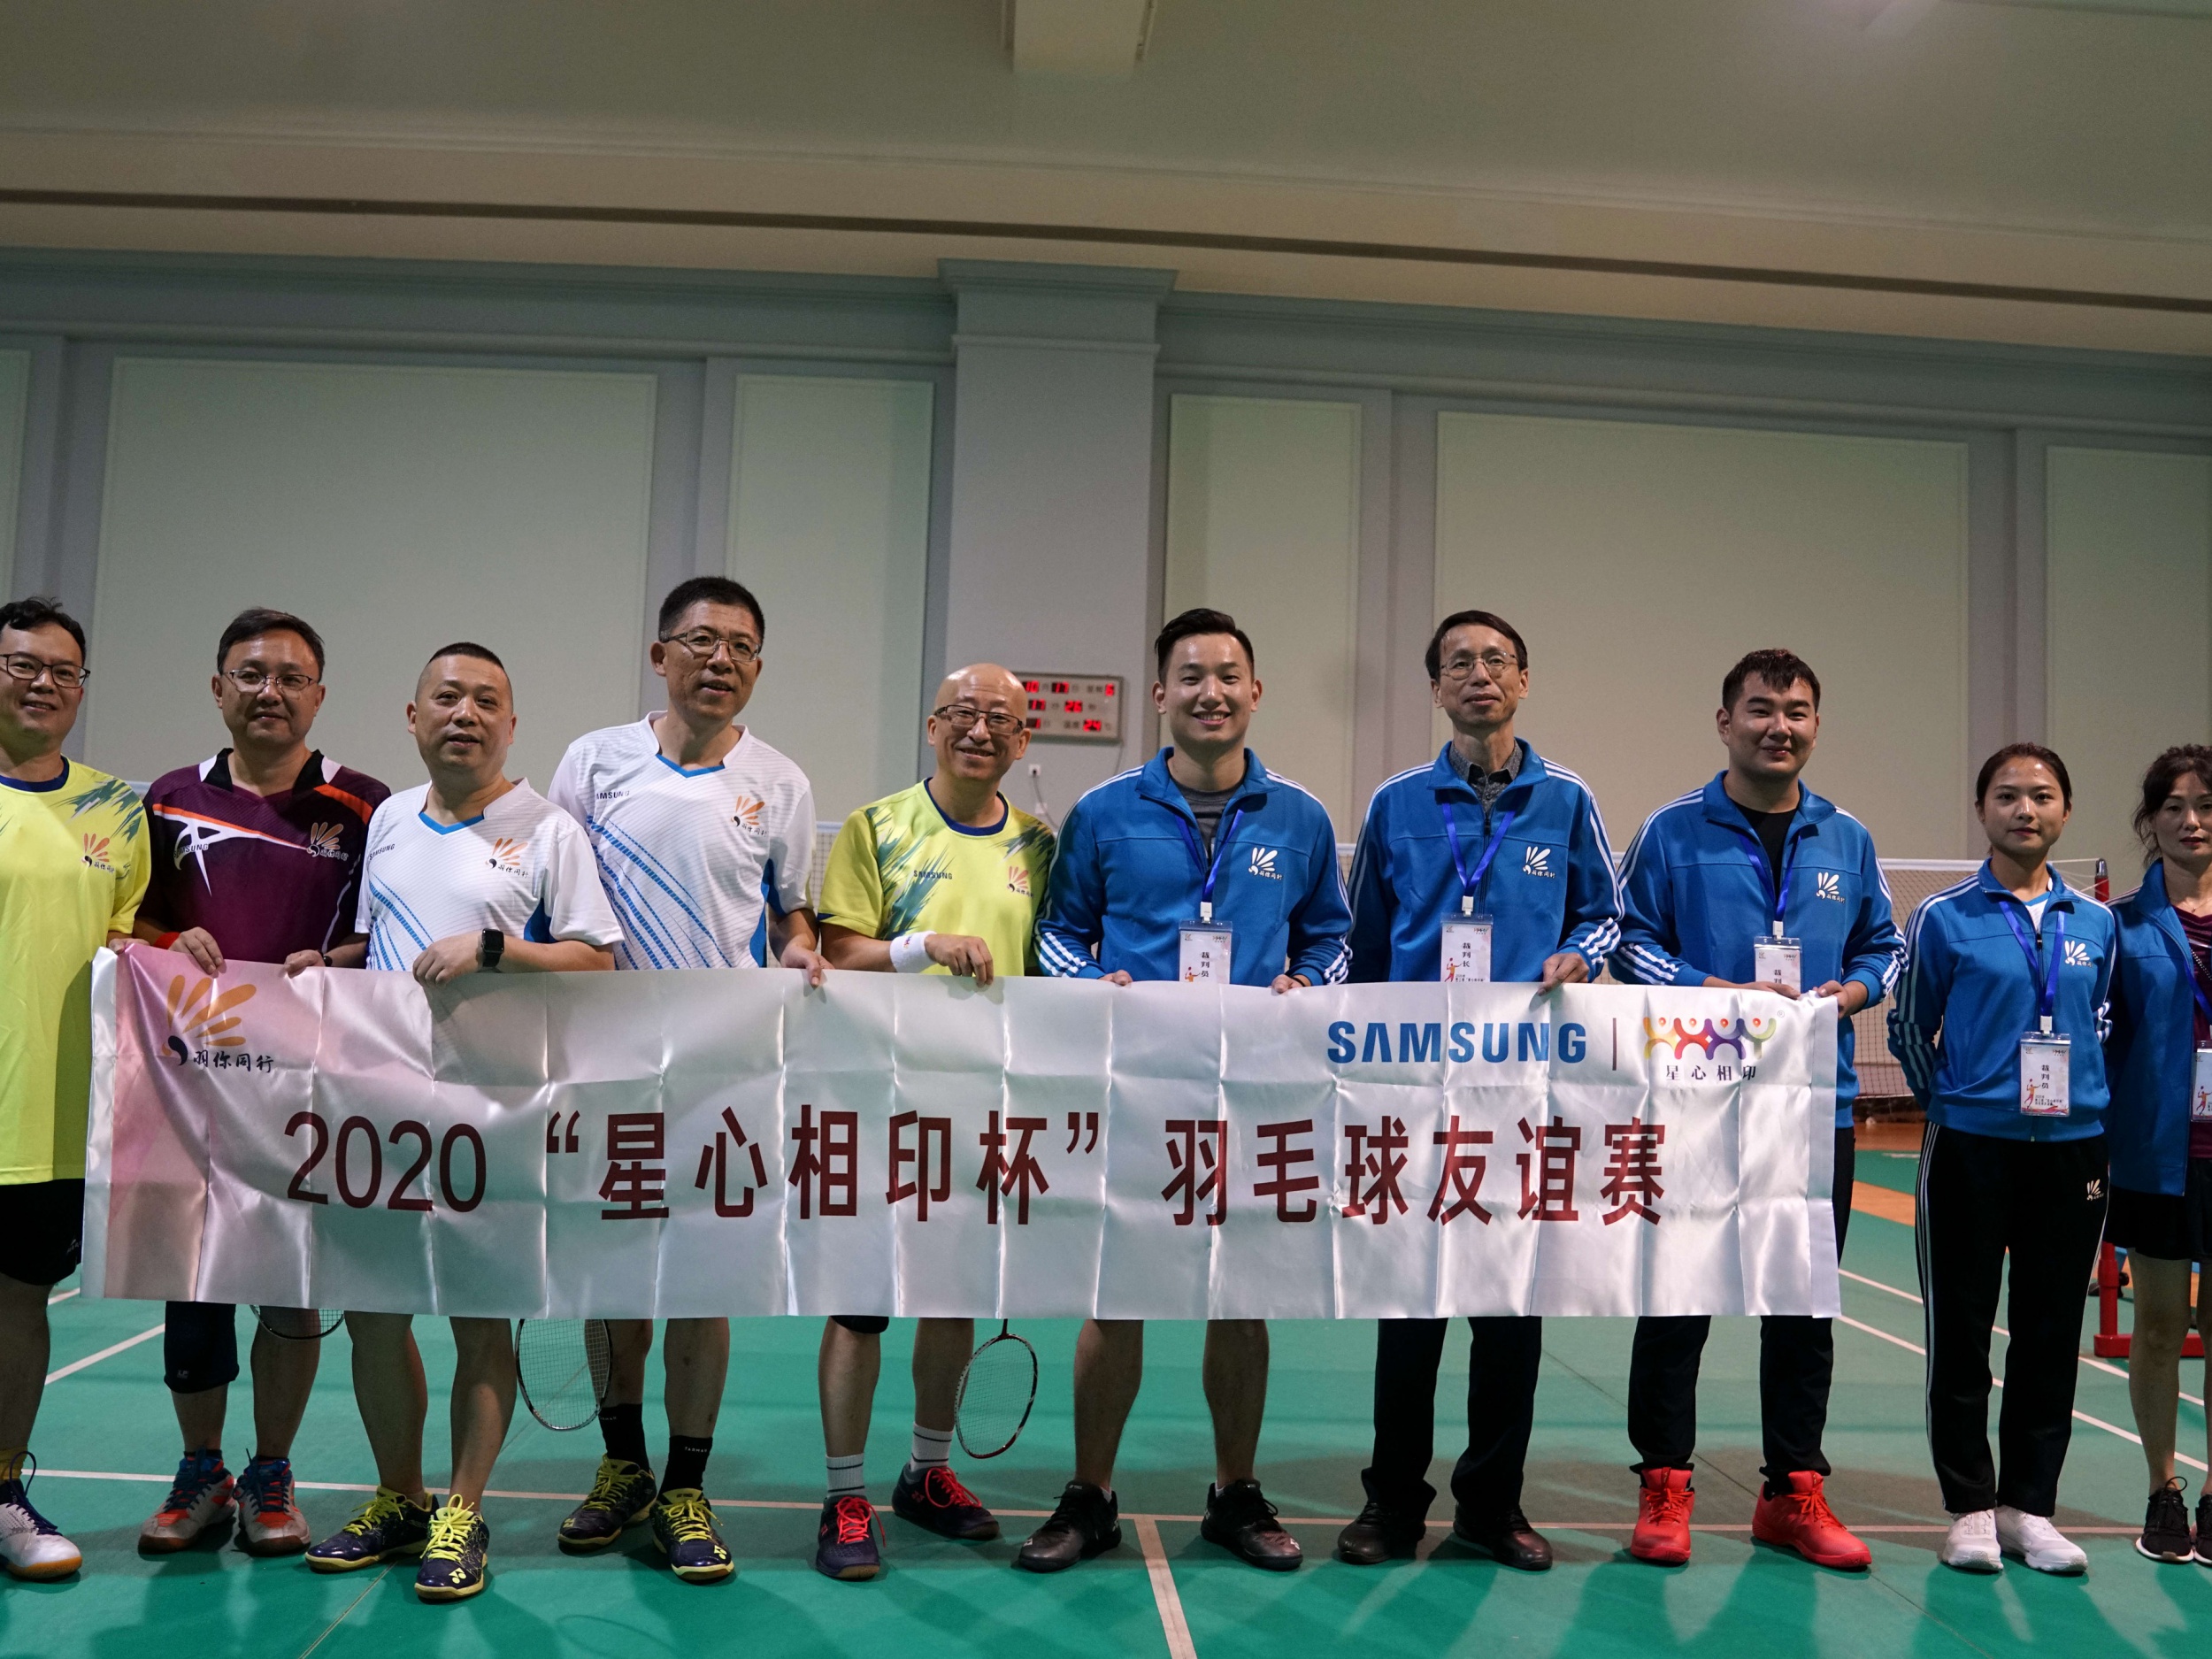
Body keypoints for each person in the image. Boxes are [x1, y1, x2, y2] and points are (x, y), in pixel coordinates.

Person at [1025, 606, 1351, 1574]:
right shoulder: (1102, 811)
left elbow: (1332, 936)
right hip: (1133, 1087)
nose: (1212, 692)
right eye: (1192, 676)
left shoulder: (1300, 817)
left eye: (1228, 675)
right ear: (1162, 693)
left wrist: (1307, 981)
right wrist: (1096, 985)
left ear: (1256, 691)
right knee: (1116, 1296)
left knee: (1240, 1299)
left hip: (1254, 1090)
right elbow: (1059, 933)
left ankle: (1234, 1491)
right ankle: (1090, 1494)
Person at [294, 643, 619, 1603]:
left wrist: (495, 948)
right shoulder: (391, 819)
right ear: (413, 715)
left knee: (479, 1319)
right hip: (383, 1107)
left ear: (512, 725)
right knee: (375, 1316)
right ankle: (399, 1497)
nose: (464, 714)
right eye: (447, 698)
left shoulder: (551, 831)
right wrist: (327, 963)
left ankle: (463, 1512)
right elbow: (380, 942)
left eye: (485, 701)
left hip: (495, 1112)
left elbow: (598, 961)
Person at [546, 576, 826, 1584]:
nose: (721, 660)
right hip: (605, 1059)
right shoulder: (593, 761)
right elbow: (548, 890)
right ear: (660, 654)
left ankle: (687, 1484)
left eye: (741, 646)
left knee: (705, 1277)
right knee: (615, 1271)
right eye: (702, 641)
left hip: (724, 1065)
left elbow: (792, 913)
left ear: (759, 666)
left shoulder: (781, 782)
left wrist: (800, 950)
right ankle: (622, 1463)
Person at [1333, 609, 1620, 1572]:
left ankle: (1492, 1505)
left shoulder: (1567, 800)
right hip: (1416, 1094)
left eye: (1496, 660)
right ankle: (1391, 1502)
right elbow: (1362, 945)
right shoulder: (1396, 804)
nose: (1479, 674)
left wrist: (1578, 954)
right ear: (1435, 688)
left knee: (1510, 1309)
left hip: (1525, 1094)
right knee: (1408, 1311)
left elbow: (1605, 918)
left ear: (1523, 681)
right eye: (1458, 661)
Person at [1612, 649, 1901, 1571]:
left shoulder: (1847, 839)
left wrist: (1850, 994)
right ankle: (1665, 1482)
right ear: (1725, 721)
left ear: (1816, 724)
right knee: (1677, 1300)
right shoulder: (1670, 831)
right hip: (1693, 1104)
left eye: (1798, 710)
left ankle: (1792, 1491)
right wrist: (1716, 995)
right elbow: (1627, 944)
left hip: (1814, 1110)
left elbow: (1885, 948)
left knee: (1802, 1306)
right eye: (1762, 708)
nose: (1780, 725)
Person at [132, 608, 389, 1559]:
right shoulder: (168, 799)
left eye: (290, 677)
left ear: (319, 696)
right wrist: (172, 940)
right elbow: (133, 924)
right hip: (191, 1086)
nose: (269, 692)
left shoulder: (365, 806)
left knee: (288, 1287)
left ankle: (272, 1470)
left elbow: (383, 933)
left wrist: (336, 959)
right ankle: (202, 1470)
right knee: (193, 1283)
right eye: (250, 674)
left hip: (307, 1093)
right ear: (218, 688)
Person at [807, 663, 1057, 1581]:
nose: (979, 730)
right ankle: (843, 1494)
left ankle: (926, 1472)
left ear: (1023, 740)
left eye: (1000, 719)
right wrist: (923, 948)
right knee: (861, 1302)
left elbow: (1056, 961)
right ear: (932, 725)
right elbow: (839, 950)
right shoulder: (876, 826)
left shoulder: (1039, 845)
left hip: (986, 1106)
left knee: (951, 1293)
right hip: (879, 1099)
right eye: (962, 713)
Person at [1889, 742, 2115, 1576]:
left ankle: (2030, 1506)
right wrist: (1956, 1098)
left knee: (2051, 1334)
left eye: (2043, 796)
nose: (2026, 809)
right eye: (2009, 795)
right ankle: (1970, 1507)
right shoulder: (1944, 916)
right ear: (1982, 808)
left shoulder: (2097, 923)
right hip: (1970, 1148)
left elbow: (2103, 1024)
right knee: (1961, 1331)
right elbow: (1908, 1024)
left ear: (2066, 811)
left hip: (2073, 1151)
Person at [0, 597, 150, 1582]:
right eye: (22, 664)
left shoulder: (117, 809)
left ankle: (3, 1492)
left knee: (20, 1304)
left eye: (62, 670)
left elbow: (127, 950)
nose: (43, 683)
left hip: (48, 1121)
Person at [2101, 744, 2212, 1566]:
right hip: (2157, 1155)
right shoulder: (2122, 925)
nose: (2192, 820)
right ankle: (2163, 1489)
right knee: (2162, 1323)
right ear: (2151, 819)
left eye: (2206, 805)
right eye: (2174, 806)